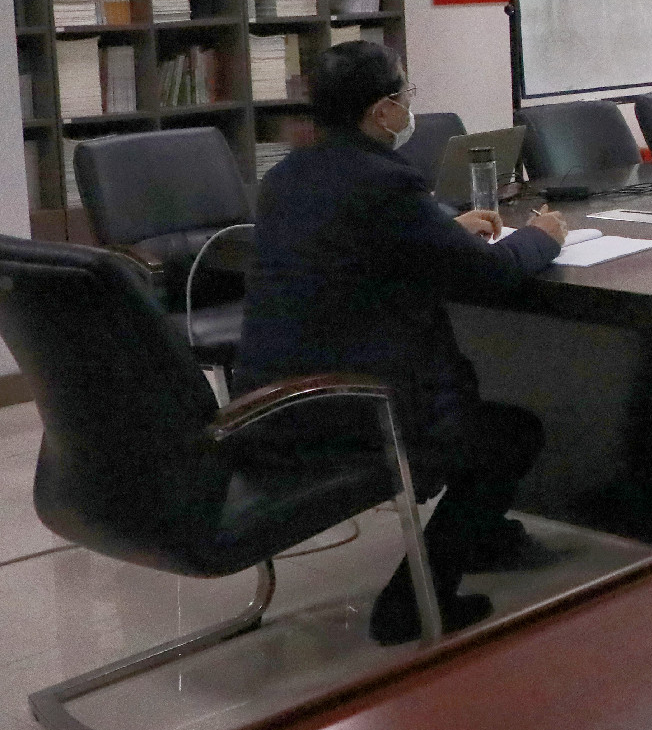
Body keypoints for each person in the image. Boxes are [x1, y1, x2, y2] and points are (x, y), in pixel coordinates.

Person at [236, 42, 570, 645]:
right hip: (358, 408)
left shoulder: (287, 176)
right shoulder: (384, 182)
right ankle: (412, 607)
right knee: (510, 435)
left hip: (273, 402)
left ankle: (480, 537)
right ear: (382, 111)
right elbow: (490, 274)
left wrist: (442, 231)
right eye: (403, 94)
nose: (408, 105)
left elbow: (363, 247)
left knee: (484, 421)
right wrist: (544, 235)